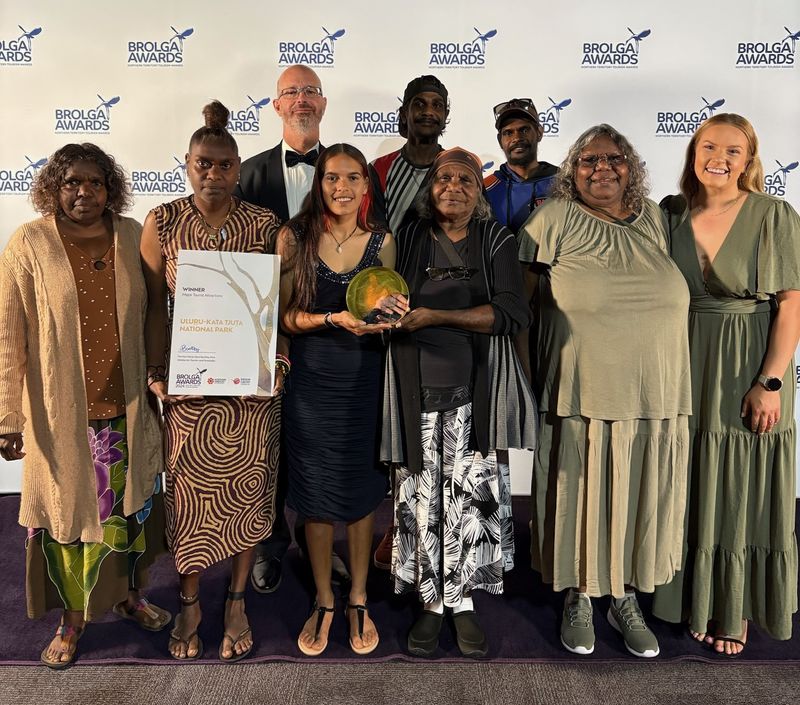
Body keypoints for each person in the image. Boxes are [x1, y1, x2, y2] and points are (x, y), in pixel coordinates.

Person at [521, 124, 691, 658]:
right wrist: (527, 379)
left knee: (640, 488)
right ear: (573, 169)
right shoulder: (553, 219)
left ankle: (626, 595)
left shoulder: (658, 221)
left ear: (631, 166)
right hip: (581, 387)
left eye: (614, 158)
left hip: (655, 389)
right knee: (582, 489)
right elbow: (520, 308)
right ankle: (579, 594)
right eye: (589, 160)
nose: (602, 169)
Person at [0, 143, 169, 669]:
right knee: (72, 518)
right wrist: (6, 418)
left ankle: (130, 597)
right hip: (62, 415)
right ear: (54, 186)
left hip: (128, 409)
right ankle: (71, 621)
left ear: (110, 187)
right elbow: (8, 337)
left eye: (95, 182)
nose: (84, 192)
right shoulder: (28, 244)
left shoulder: (128, 234)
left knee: (127, 514)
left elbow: (156, 309)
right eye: (72, 182)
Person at [651, 113, 800, 656]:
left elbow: (791, 303)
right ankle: (689, 595)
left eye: (733, 150)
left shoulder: (772, 214)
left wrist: (772, 380)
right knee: (687, 475)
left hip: (745, 360)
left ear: (750, 159)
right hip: (684, 358)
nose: (719, 157)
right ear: (693, 153)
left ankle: (732, 607)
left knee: (738, 480)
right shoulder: (671, 215)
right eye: (708, 145)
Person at [141, 101, 284, 662]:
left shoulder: (265, 225)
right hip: (190, 386)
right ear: (187, 164)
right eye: (204, 164)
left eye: (225, 165)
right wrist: (157, 372)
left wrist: (277, 367)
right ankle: (190, 599)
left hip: (249, 390)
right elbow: (155, 307)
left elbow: (276, 308)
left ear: (239, 168)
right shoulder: (164, 221)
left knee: (248, 492)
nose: (214, 174)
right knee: (191, 500)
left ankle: (238, 599)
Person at [383, 147, 537, 658]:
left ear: (480, 192)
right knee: (422, 501)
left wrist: (436, 316)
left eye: (466, 180)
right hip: (415, 395)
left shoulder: (495, 239)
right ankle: (430, 605)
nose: (453, 186)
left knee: (470, 503)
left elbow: (512, 312)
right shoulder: (407, 238)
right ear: (430, 189)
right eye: (443, 177)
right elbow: (383, 297)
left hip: (478, 395)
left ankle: (465, 602)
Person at [276, 143, 404, 656]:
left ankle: (357, 596)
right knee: (314, 492)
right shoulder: (296, 236)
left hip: (364, 381)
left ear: (366, 186)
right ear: (319, 182)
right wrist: (331, 319)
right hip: (310, 382)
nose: (342, 188)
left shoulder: (383, 242)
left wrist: (391, 316)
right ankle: (324, 599)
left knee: (359, 490)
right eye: (332, 177)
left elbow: (389, 320)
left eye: (353, 177)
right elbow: (282, 317)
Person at [235, 64, 349, 593]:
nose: (301, 100)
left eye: (309, 91)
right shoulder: (246, 174)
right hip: (265, 331)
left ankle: (321, 540)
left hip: (335, 336)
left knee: (325, 441)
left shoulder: (349, 171)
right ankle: (271, 542)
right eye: (290, 93)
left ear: (323, 104)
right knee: (270, 444)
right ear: (276, 107)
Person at [369, 74, 449, 570]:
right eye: (418, 104)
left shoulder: (462, 170)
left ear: (445, 115)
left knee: (441, 434)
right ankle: (400, 525)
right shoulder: (379, 170)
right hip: (387, 318)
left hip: (444, 319)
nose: (426, 111)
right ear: (404, 112)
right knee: (396, 430)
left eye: (436, 105)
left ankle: (443, 528)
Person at [484, 98, 558, 234]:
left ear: (539, 133)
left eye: (524, 130)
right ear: (500, 140)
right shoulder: (485, 189)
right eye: (508, 133)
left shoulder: (564, 182)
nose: (516, 138)